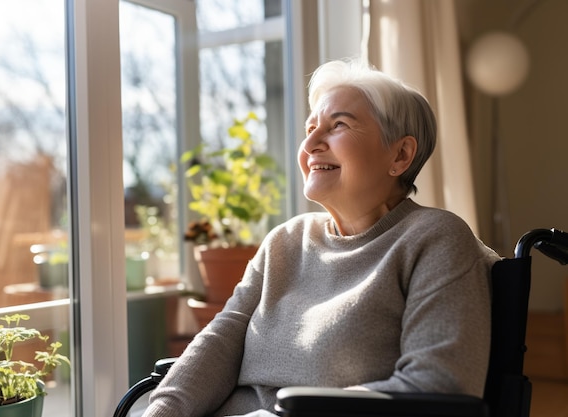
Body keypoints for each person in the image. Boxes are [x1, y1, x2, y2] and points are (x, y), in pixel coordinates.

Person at [142, 57, 500, 417]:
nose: (311, 143)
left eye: (338, 125)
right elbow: (220, 342)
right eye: (310, 127)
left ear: (401, 154)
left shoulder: (434, 239)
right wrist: (162, 411)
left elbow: (438, 385)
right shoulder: (285, 240)